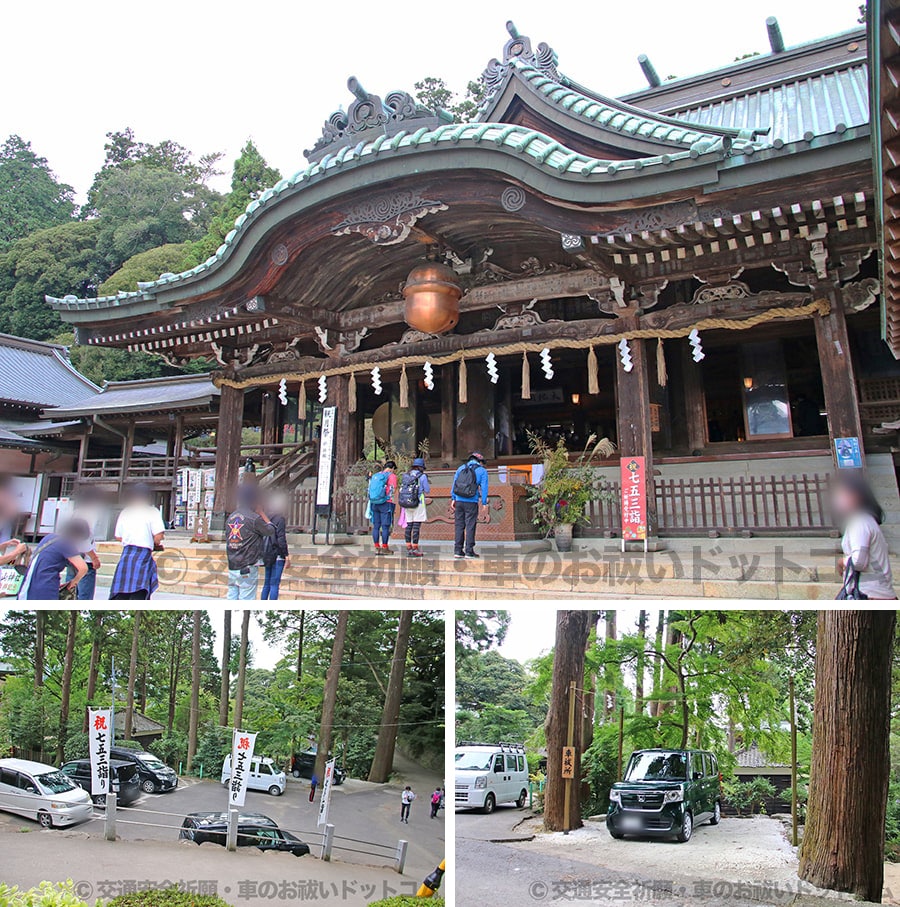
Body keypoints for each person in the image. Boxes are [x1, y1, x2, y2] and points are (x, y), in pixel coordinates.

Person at [833, 472, 896, 599]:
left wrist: (841, 562)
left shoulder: (859, 522)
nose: (838, 499)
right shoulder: (865, 520)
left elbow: (859, 562)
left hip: (869, 595)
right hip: (876, 593)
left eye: (842, 494)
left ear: (856, 497)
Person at [110, 484, 165, 600]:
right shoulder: (152, 511)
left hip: (127, 553)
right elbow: (158, 536)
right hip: (142, 554)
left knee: (121, 593)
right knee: (139, 592)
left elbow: (118, 536)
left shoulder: (125, 512)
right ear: (148, 497)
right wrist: (155, 543)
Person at [17, 518, 91, 600]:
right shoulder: (66, 543)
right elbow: (83, 568)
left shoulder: (49, 537)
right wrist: (72, 583)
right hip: (46, 584)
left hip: (30, 581)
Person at [226, 482, 275, 599]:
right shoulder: (254, 519)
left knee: (232, 597)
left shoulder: (230, 517)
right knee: (246, 598)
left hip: (233, 564)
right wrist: (262, 513)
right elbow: (271, 530)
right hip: (247, 566)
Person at [64, 490, 104, 600]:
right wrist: (94, 557)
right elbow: (84, 537)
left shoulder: (76, 512)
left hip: (72, 554)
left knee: (69, 593)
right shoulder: (92, 514)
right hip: (84, 558)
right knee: (84, 595)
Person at [450, 451, 489, 559]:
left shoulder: (460, 468)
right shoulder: (482, 471)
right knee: (470, 525)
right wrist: (484, 502)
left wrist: (453, 498)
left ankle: (457, 550)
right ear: (480, 461)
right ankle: (469, 551)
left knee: (459, 525)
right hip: (471, 501)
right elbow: (484, 488)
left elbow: (455, 484)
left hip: (459, 500)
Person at [398, 458, 430, 557]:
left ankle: (408, 547)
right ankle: (415, 548)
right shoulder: (422, 476)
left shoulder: (406, 475)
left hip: (407, 503)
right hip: (418, 502)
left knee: (409, 525)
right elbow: (427, 490)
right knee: (416, 526)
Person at [261, 492, 290, 600]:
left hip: (267, 553)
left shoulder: (265, 517)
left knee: (266, 583)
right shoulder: (280, 519)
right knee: (274, 583)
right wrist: (286, 556)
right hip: (277, 554)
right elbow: (281, 538)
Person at [369, 461, 398, 555]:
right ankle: (385, 547)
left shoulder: (376, 475)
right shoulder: (391, 476)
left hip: (374, 502)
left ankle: (377, 547)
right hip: (386, 503)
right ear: (392, 468)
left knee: (376, 526)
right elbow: (392, 489)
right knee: (385, 526)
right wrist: (388, 498)